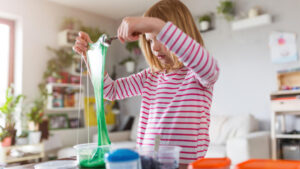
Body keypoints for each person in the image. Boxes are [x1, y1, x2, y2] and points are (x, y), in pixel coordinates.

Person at [73, 0, 219, 168]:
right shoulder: (151, 76)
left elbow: (210, 67)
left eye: (161, 38)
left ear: (180, 35)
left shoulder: (197, 75)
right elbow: (110, 91)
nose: (155, 47)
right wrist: (90, 57)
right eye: (150, 40)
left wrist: (153, 24)